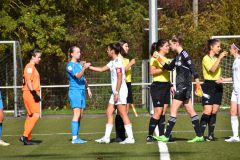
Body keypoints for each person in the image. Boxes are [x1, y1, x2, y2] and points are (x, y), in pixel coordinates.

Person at [153, 34, 204, 142]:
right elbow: (168, 67)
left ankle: (166, 136)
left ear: (176, 43)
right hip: (182, 86)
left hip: (184, 85)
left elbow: (193, 68)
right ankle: (200, 135)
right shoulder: (177, 57)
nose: (170, 47)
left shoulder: (184, 54)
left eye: (171, 44)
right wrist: (158, 57)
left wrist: (198, 83)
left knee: (173, 109)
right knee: (190, 110)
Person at [89, 43, 135, 144]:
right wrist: (89, 67)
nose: (107, 51)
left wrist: (117, 92)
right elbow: (101, 69)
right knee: (109, 112)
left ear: (113, 51)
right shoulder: (112, 62)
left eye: (108, 50)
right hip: (115, 92)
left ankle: (131, 138)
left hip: (120, 92)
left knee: (123, 114)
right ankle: (106, 137)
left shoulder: (118, 62)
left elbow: (119, 78)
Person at [200, 39, 227, 141]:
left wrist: (221, 78)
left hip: (218, 86)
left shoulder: (216, 58)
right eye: (218, 46)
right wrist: (219, 58)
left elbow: (217, 73)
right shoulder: (205, 58)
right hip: (208, 86)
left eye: (220, 47)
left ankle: (211, 134)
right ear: (212, 47)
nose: (219, 49)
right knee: (208, 110)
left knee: (214, 111)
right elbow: (212, 70)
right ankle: (200, 134)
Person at [146, 40, 174, 142]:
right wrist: (164, 69)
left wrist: (170, 85)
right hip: (157, 87)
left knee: (163, 112)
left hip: (166, 86)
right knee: (157, 112)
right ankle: (149, 135)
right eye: (166, 46)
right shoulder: (155, 57)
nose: (168, 47)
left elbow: (167, 74)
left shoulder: (166, 58)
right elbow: (152, 72)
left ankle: (162, 135)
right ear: (160, 47)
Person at [66, 46, 92, 144]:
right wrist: (84, 67)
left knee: (80, 115)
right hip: (74, 91)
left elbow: (83, 78)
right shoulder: (69, 65)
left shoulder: (79, 64)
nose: (79, 53)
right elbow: (77, 76)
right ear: (72, 54)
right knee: (76, 114)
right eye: (77, 52)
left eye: (80, 52)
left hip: (81, 91)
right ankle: (74, 138)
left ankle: (77, 137)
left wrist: (88, 88)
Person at [20, 49, 42, 145]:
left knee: (30, 116)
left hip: (28, 93)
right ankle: (24, 136)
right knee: (36, 114)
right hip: (30, 93)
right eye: (39, 57)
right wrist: (34, 93)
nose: (40, 59)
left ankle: (27, 138)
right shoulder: (29, 67)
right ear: (33, 57)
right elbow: (28, 81)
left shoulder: (32, 67)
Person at [218, 43, 240, 142]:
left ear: (236, 49)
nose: (230, 49)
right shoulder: (235, 61)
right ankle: (235, 136)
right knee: (232, 112)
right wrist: (224, 79)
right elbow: (234, 78)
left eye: (231, 48)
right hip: (235, 91)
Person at [115, 40, 136, 142]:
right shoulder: (118, 58)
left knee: (125, 112)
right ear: (121, 47)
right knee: (120, 112)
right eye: (126, 46)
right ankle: (120, 135)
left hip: (128, 84)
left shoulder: (126, 58)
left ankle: (125, 135)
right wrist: (130, 64)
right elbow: (121, 71)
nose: (128, 48)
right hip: (122, 85)